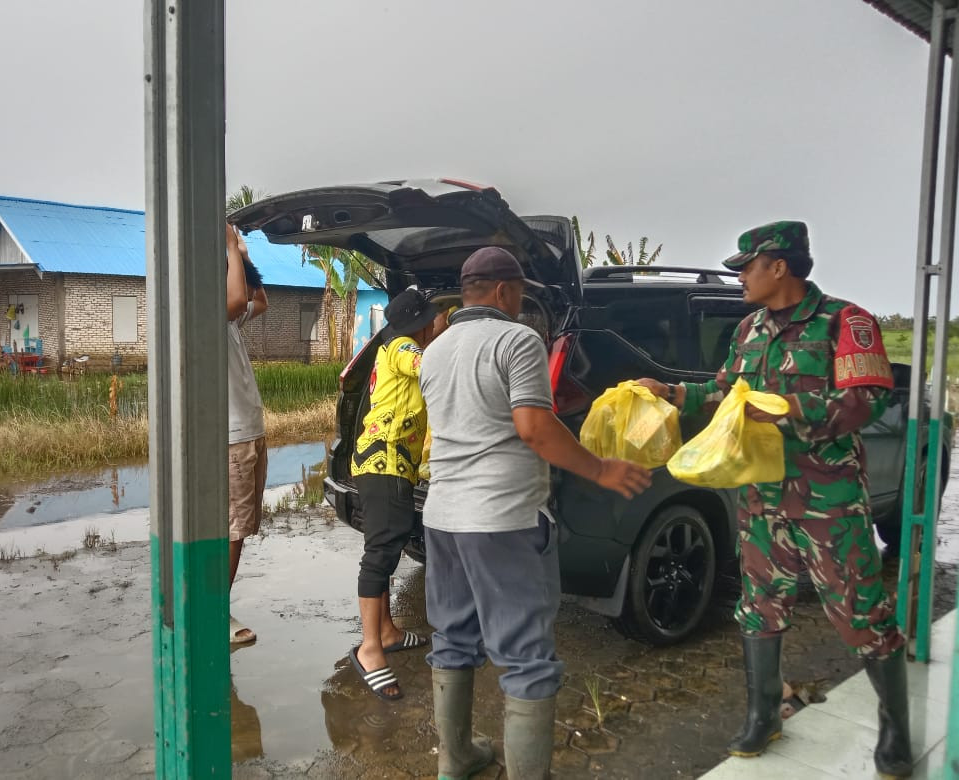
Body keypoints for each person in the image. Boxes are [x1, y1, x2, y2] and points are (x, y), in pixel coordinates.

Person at [637, 221, 911, 777]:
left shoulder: (845, 321)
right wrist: (674, 393)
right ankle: (763, 714)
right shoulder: (749, 331)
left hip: (826, 499)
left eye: (746, 267)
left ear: (778, 266)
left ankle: (895, 726)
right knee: (759, 608)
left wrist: (786, 411)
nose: (739, 278)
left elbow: (867, 402)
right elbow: (724, 393)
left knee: (860, 613)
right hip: (761, 499)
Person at [420, 247, 652, 780]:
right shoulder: (516, 338)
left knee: (452, 637)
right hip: (502, 518)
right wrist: (601, 470)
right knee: (526, 658)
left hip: (443, 516)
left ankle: (455, 761)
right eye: (520, 292)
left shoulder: (435, 349)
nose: (521, 302)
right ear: (504, 291)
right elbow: (534, 427)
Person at [348, 288, 439, 700]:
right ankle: (370, 649)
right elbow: (428, 367)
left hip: (388, 462)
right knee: (381, 550)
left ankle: (385, 631)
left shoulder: (388, 343)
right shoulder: (403, 345)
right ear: (422, 324)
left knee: (390, 541)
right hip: (382, 460)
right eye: (436, 319)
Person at [225, 223, 269, 645]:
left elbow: (259, 298)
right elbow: (238, 297)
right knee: (234, 528)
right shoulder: (207, 311)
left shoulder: (232, 324)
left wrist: (243, 252)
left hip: (249, 431)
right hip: (232, 436)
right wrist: (227, 248)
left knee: (241, 526)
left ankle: (218, 603)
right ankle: (216, 610)